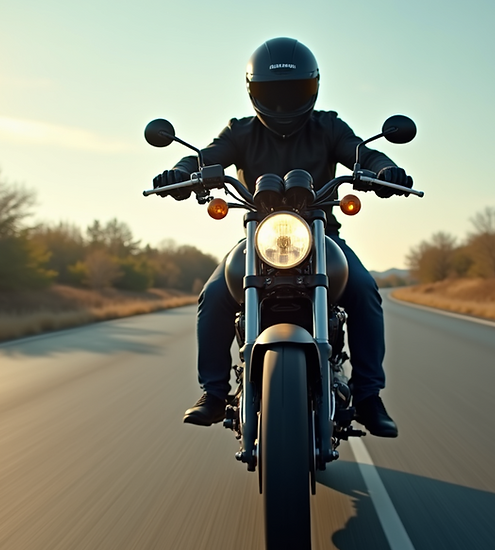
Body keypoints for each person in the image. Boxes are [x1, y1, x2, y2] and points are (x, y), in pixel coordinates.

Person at [152, 37, 413, 438]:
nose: (282, 103)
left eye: (293, 92)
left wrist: (385, 169)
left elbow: (362, 154)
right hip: (258, 241)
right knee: (214, 294)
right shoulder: (239, 132)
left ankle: (368, 396)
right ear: (254, 92)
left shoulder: (328, 126)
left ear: (312, 88)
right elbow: (205, 157)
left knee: (363, 288)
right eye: (272, 94)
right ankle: (214, 392)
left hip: (322, 238)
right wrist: (181, 172)